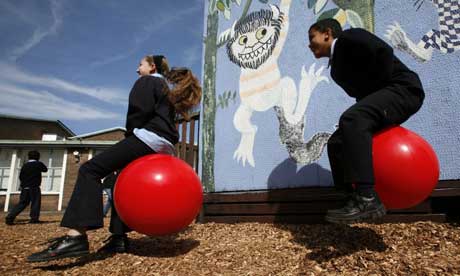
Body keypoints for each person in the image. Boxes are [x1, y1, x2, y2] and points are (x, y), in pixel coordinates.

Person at [27, 55, 202, 262]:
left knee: (89, 170)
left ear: (152, 66)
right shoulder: (164, 86)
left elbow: (138, 114)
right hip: (164, 145)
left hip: (147, 138)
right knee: (121, 180)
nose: (137, 70)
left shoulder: (147, 81)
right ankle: (119, 237)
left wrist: (130, 135)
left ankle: (76, 237)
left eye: (140, 65)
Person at [308, 19, 425, 224]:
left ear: (327, 33)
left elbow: (384, 52)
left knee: (352, 118)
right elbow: (360, 96)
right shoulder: (336, 70)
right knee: (337, 140)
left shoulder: (349, 38)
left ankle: (367, 196)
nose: (310, 45)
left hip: (403, 89)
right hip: (386, 95)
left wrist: (380, 90)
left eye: (312, 38)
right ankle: (350, 197)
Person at [5, 150, 48, 225]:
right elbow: (45, 169)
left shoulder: (25, 165)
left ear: (29, 157)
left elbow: (21, 176)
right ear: (38, 157)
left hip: (25, 187)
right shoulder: (38, 164)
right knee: (35, 203)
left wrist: (23, 184)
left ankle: (10, 216)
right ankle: (34, 219)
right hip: (34, 187)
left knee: (22, 203)